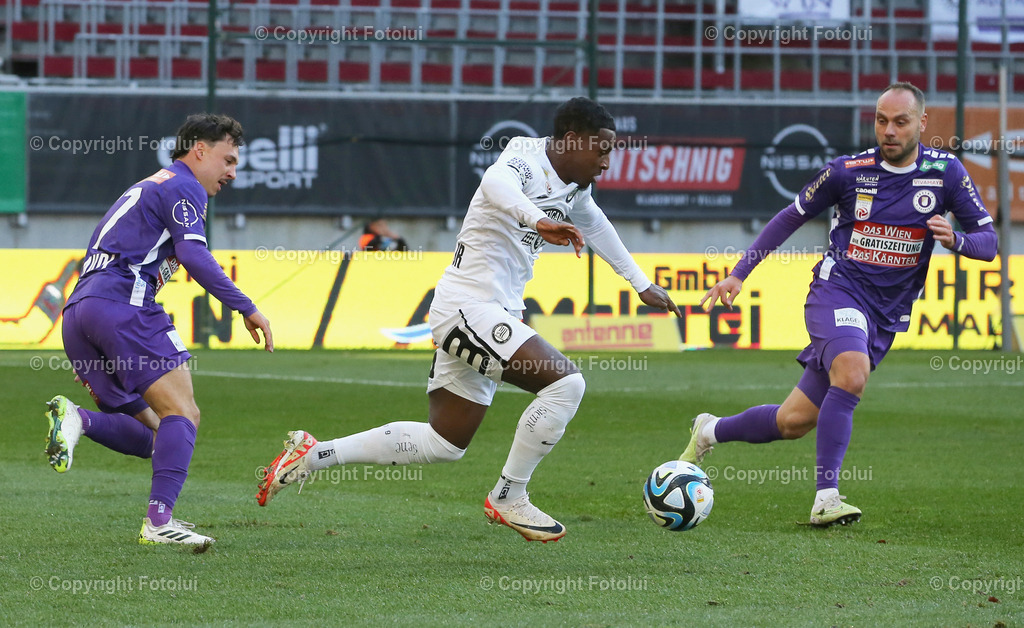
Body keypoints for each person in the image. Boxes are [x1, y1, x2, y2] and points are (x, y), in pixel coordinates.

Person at [257, 97, 681, 542]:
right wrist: (537, 220)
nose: (607, 162)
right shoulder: (523, 158)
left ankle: (311, 456)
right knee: (566, 384)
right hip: (468, 307)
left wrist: (640, 283)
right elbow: (496, 183)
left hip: (489, 311)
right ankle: (508, 496)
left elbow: (594, 223)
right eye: (601, 150)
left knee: (444, 444)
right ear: (572, 139)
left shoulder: (575, 188)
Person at [680, 82, 997, 527]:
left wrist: (957, 239)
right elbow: (790, 216)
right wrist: (739, 273)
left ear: (922, 124)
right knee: (851, 372)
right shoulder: (849, 172)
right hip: (837, 291)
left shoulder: (946, 173)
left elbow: (988, 243)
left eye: (900, 122)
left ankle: (709, 430)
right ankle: (826, 498)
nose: (888, 130)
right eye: (881, 120)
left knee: (793, 421)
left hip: (885, 316)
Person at [44, 114, 273, 545]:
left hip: (79, 314)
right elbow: (193, 255)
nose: (232, 173)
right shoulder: (184, 185)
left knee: (157, 435)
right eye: (228, 160)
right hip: (123, 306)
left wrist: (98, 333)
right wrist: (247, 307)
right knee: (183, 413)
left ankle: (79, 420)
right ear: (199, 150)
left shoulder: (150, 184)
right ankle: (158, 523)